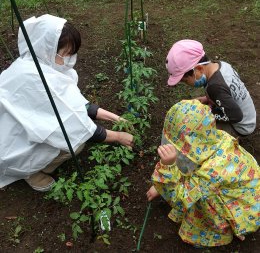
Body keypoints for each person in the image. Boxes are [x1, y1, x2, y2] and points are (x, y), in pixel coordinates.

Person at [0, 14, 134, 192]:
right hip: (14, 145)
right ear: (46, 48)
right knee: (75, 144)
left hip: (22, 132)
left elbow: (78, 106)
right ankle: (30, 172)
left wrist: (117, 119)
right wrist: (118, 137)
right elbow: (77, 125)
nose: (69, 59)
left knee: (74, 138)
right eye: (65, 54)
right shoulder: (34, 78)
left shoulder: (41, 64)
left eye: (71, 54)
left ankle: (40, 164)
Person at [147, 99, 260, 247]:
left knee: (201, 203)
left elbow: (180, 200)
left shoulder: (209, 175)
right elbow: (190, 163)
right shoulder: (217, 137)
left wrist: (167, 169)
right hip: (244, 190)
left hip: (244, 211)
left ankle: (222, 231)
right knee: (202, 191)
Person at [165, 39, 256, 137]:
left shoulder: (215, 87)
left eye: (185, 80)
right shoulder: (221, 65)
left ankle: (230, 140)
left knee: (198, 130)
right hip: (249, 117)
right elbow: (227, 92)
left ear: (199, 69)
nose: (187, 84)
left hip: (241, 126)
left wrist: (207, 115)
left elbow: (236, 116)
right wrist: (207, 99)